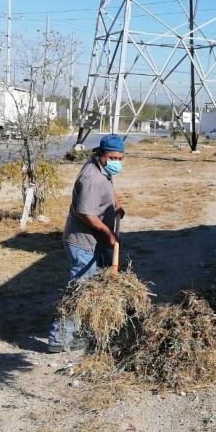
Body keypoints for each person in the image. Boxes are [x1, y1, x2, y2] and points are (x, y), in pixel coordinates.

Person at [48, 134, 125, 352]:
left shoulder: (102, 169)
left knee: (97, 286)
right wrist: (107, 233)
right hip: (83, 243)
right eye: (113, 158)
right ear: (101, 155)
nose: (117, 162)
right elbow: (86, 214)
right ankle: (58, 338)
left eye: (120, 158)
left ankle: (88, 327)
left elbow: (108, 188)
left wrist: (115, 204)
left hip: (97, 240)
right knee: (81, 289)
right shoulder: (91, 178)